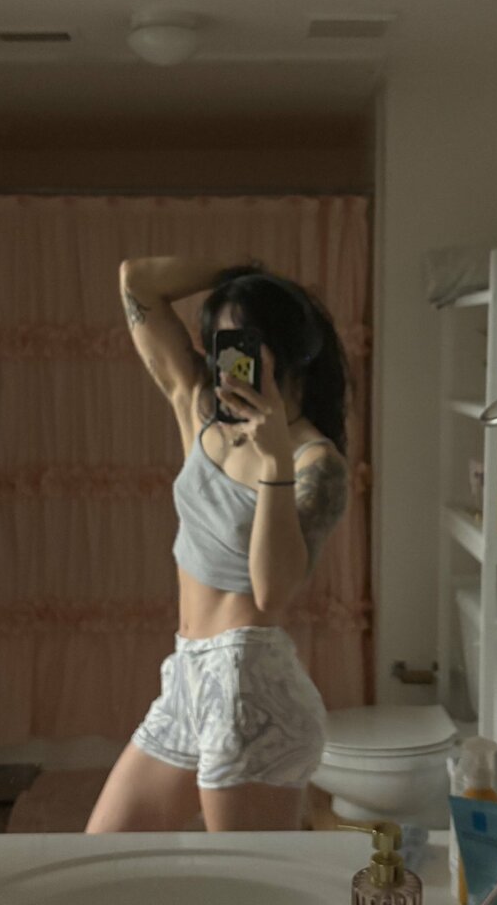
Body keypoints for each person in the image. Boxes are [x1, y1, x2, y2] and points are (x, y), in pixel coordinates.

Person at [85, 256, 348, 832]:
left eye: (245, 342)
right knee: (102, 849)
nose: (227, 360)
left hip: (246, 688)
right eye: (220, 343)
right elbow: (136, 281)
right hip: (187, 676)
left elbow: (272, 592)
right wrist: (243, 273)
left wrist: (274, 459)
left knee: (245, 880)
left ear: (284, 349)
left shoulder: (315, 463)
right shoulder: (201, 410)